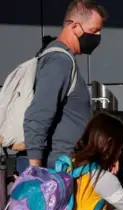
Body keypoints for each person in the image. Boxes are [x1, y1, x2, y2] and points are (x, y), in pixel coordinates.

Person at [24, 0, 106, 170]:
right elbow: (38, 115)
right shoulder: (59, 61)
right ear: (74, 27)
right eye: (94, 31)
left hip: (71, 163)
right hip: (61, 169)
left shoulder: (64, 59)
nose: (98, 36)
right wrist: (36, 173)